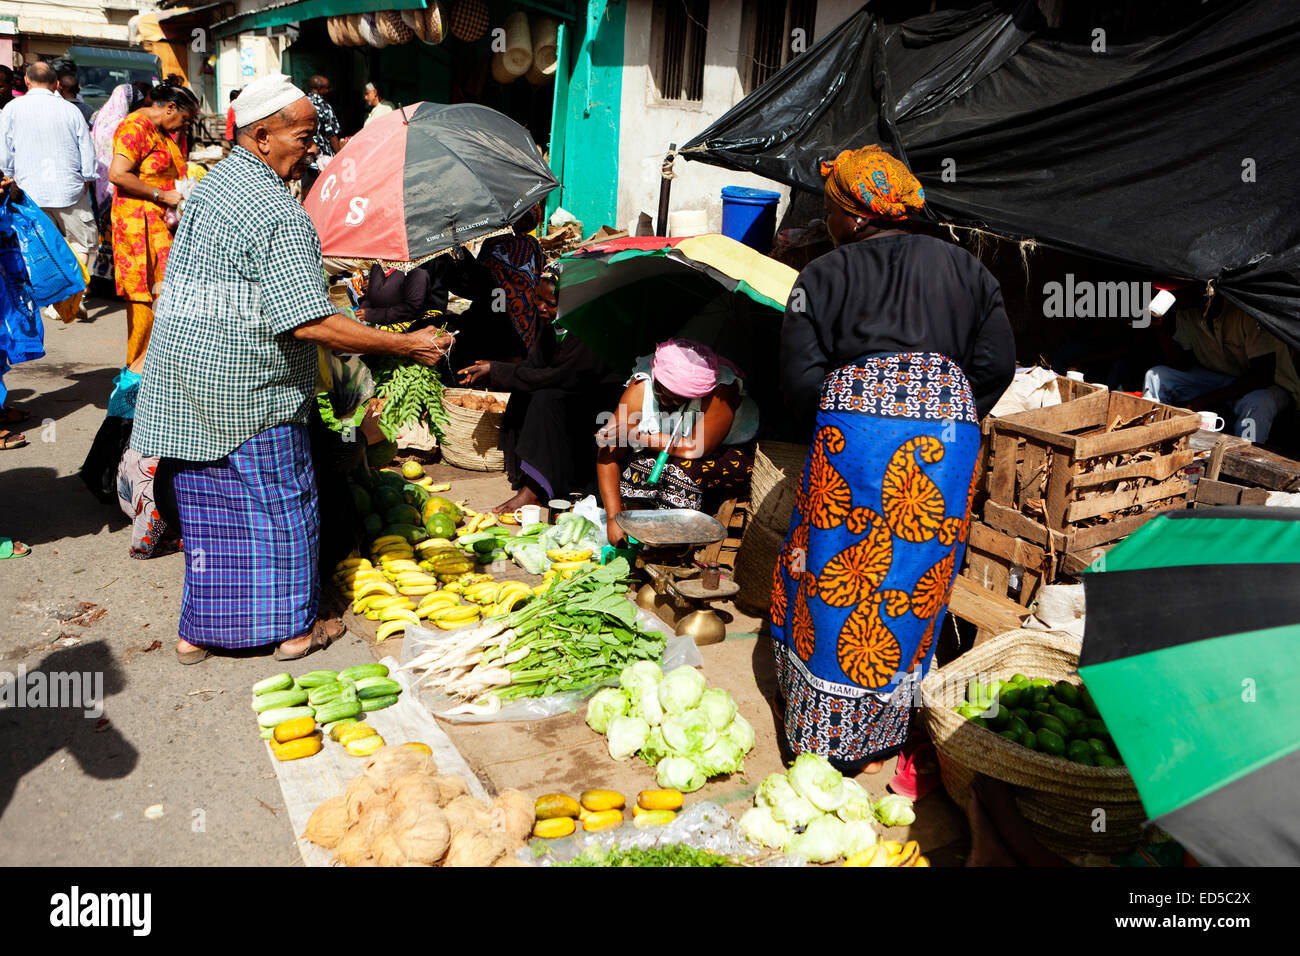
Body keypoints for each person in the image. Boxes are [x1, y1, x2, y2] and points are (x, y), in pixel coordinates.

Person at [130, 73, 453, 665]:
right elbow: (307, 323)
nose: (312, 148)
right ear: (260, 136)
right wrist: (407, 345)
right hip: (250, 390)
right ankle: (293, 631)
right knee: (280, 507)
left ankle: (196, 633)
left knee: (210, 513)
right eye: (303, 136)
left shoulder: (213, 185)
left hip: (183, 379)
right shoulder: (278, 212)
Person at [771, 144, 1015, 777]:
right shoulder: (971, 272)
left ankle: (825, 737)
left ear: (853, 214)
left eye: (829, 209)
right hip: (943, 447)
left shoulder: (821, 276)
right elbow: (997, 367)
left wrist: (849, 419)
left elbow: (799, 382)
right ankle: (898, 725)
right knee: (911, 578)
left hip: (855, 445)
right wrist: (945, 410)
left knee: (836, 574)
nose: (827, 221)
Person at [459, 273, 623, 512]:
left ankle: (534, 491)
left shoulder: (589, 330)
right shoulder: (551, 327)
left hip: (598, 404)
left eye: (551, 304)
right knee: (524, 393)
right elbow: (532, 367)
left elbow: (559, 377)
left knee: (544, 399)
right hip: (568, 388)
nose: (541, 307)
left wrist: (498, 371)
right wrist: (493, 370)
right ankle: (524, 473)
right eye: (538, 299)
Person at [596, 339, 759, 541]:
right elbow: (608, 453)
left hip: (731, 450)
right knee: (637, 466)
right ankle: (636, 535)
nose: (666, 400)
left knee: (678, 475)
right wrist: (613, 518)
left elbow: (695, 448)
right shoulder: (641, 387)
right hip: (674, 449)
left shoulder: (722, 389)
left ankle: (675, 546)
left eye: (678, 398)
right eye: (661, 390)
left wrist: (633, 434)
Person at [107, 84, 198, 372]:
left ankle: (157, 373)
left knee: (165, 299)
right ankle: (134, 379)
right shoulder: (135, 127)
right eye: (185, 119)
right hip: (137, 229)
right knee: (144, 303)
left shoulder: (160, 132)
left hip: (159, 227)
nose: (184, 126)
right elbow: (118, 174)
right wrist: (162, 195)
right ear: (170, 107)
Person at [1143, 296, 1298, 444]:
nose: (1175, 296)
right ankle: (1147, 437)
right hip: (1218, 378)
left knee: (1260, 402)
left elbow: (1262, 376)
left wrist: (1205, 400)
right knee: (1156, 375)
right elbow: (1180, 363)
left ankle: (1243, 458)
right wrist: (1159, 326)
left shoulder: (1244, 312)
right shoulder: (1187, 312)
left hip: (1270, 386)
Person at [0, 63, 98, 296]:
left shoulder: (12, 109)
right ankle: (73, 295)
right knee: (80, 243)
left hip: (29, 192)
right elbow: (87, 149)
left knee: (39, 245)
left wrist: (8, 176)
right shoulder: (71, 110)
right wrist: (87, 178)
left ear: (26, 81)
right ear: (56, 84)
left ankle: (51, 295)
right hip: (70, 191)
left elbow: (4, 153)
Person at [445, 205, 545, 362]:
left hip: (498, 309)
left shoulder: (496, 243)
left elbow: (478, 282)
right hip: (525, 313)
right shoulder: (533, 244)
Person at [302, 75, 342, 196]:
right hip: (323, 160)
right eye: (327, 88)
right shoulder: (325, 107)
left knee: (307, 191)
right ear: (319, 89)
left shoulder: (302, 104)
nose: (329, 91)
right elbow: (332, 136)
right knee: (325, 193)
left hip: (305, 158)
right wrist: (340, 157)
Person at [357, 263, 431, 327]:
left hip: (401, 332)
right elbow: (369, 297)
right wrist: (361, 311)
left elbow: (411, 308)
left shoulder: (417, 272)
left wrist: (372, 315)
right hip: (374, 326)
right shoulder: (377, 267)